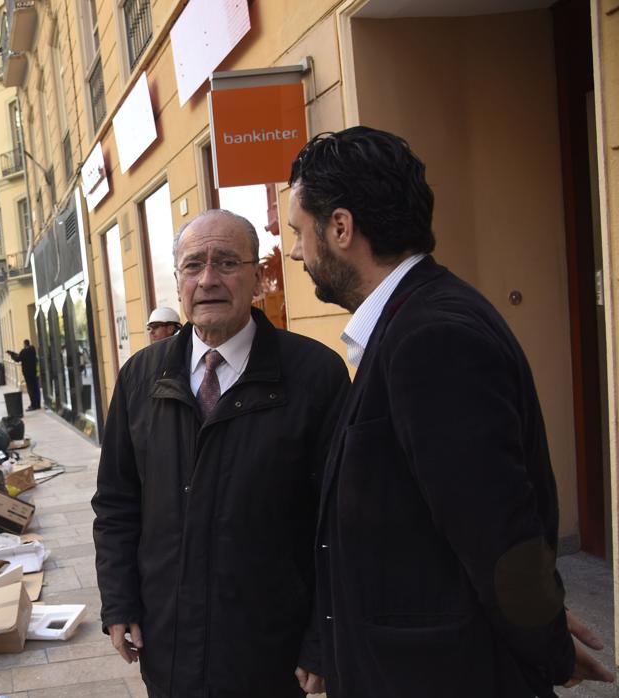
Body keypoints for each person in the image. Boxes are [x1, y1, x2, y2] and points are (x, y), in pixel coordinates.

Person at [286, 126, 615, 696]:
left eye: (297, 231)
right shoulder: (410, 321)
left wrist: (548, 649)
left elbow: (498, 530)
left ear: (340, 227)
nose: (294, 251)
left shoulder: (430, 336)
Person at [92, 210, 350, 697]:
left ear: (257, 276)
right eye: (194, 265)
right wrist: (119, 603)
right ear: (178, 280)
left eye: (227, 262)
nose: (208, 279)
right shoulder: (139, 379)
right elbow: (117, 505)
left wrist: (322, 636)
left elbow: (339, 523)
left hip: (269, 652)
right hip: (168, 646)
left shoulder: (316, 376)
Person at [6, 339, 41, 410]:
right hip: (34, 372)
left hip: (28, 373)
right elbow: (21, 356)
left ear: (24, 344)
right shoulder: (32, 350)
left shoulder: (24, 351)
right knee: (36, 389)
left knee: (30, 389)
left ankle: (33, 405)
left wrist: (11, 354)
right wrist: (13, 353)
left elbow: (18, 358)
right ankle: (37, 404)